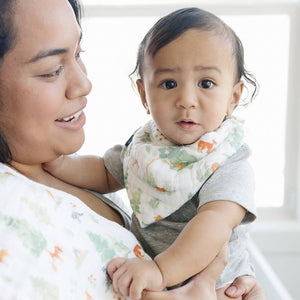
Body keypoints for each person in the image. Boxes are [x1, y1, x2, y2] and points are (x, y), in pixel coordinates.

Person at [0, 0, 267, 299]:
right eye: (51, 70)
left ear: (234, 97)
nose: (187, 99)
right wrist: (63, 165)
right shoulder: (147, 145)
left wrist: (162, 271)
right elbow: (106, 170)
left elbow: (215, 223)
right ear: (143, 94)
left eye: (78, 54)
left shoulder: (226, 159)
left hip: (219, 285)